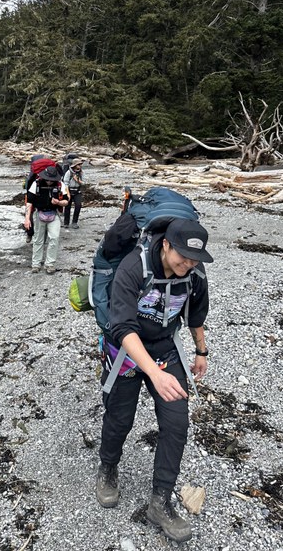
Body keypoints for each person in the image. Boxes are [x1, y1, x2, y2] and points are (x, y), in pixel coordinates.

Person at [95, 218, 213, 543]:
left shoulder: (195, 273)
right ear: (165, 245)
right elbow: (122, 328)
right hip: (125, 351)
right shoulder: (134, 267)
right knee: (120, 419)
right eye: (182, 257)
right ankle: (107, 467)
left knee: (176, 424)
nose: (188, 264)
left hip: (164, 349)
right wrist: (154, 373)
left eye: (194, 259)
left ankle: (160, 502)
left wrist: (201, 351)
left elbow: (196, 314)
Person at [24, 165, 69, 273]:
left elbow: (66, 201)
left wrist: (58, 202)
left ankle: (50, 264)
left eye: (51, 180)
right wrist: (27, 219)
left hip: (54, 214)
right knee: (38, 240)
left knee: (54, 238)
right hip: (39, 213)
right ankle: (36, 264)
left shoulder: (60, 185)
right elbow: (29, 202)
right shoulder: (36, 184)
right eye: (48, 180)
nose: (49, 182)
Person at [62, 158, 84, 229]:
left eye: (80, 165)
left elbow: (84, 183)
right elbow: (65, 183)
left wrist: (78, 180)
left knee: (78, 205)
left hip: (77, 191)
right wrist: (67, 193)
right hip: (69, 190)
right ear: (74, 165)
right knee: (67, 206)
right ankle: (66, 222)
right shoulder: (69, 172)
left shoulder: (81, 173)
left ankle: (75, 222)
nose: (80, 166)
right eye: (78, 165)